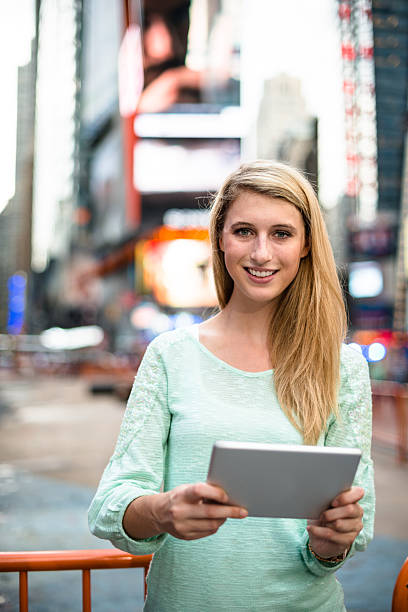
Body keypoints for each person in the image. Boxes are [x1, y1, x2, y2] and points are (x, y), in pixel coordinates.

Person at [88, 160, 375, 611]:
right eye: (244, 231)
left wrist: (330, 542)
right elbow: (110, 504)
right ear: (220, 238)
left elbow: (358, 523)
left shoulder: (344, 367)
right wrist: (161, 511)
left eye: (281, 234)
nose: (261, 253)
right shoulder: (170, 355)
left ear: (304, 246)